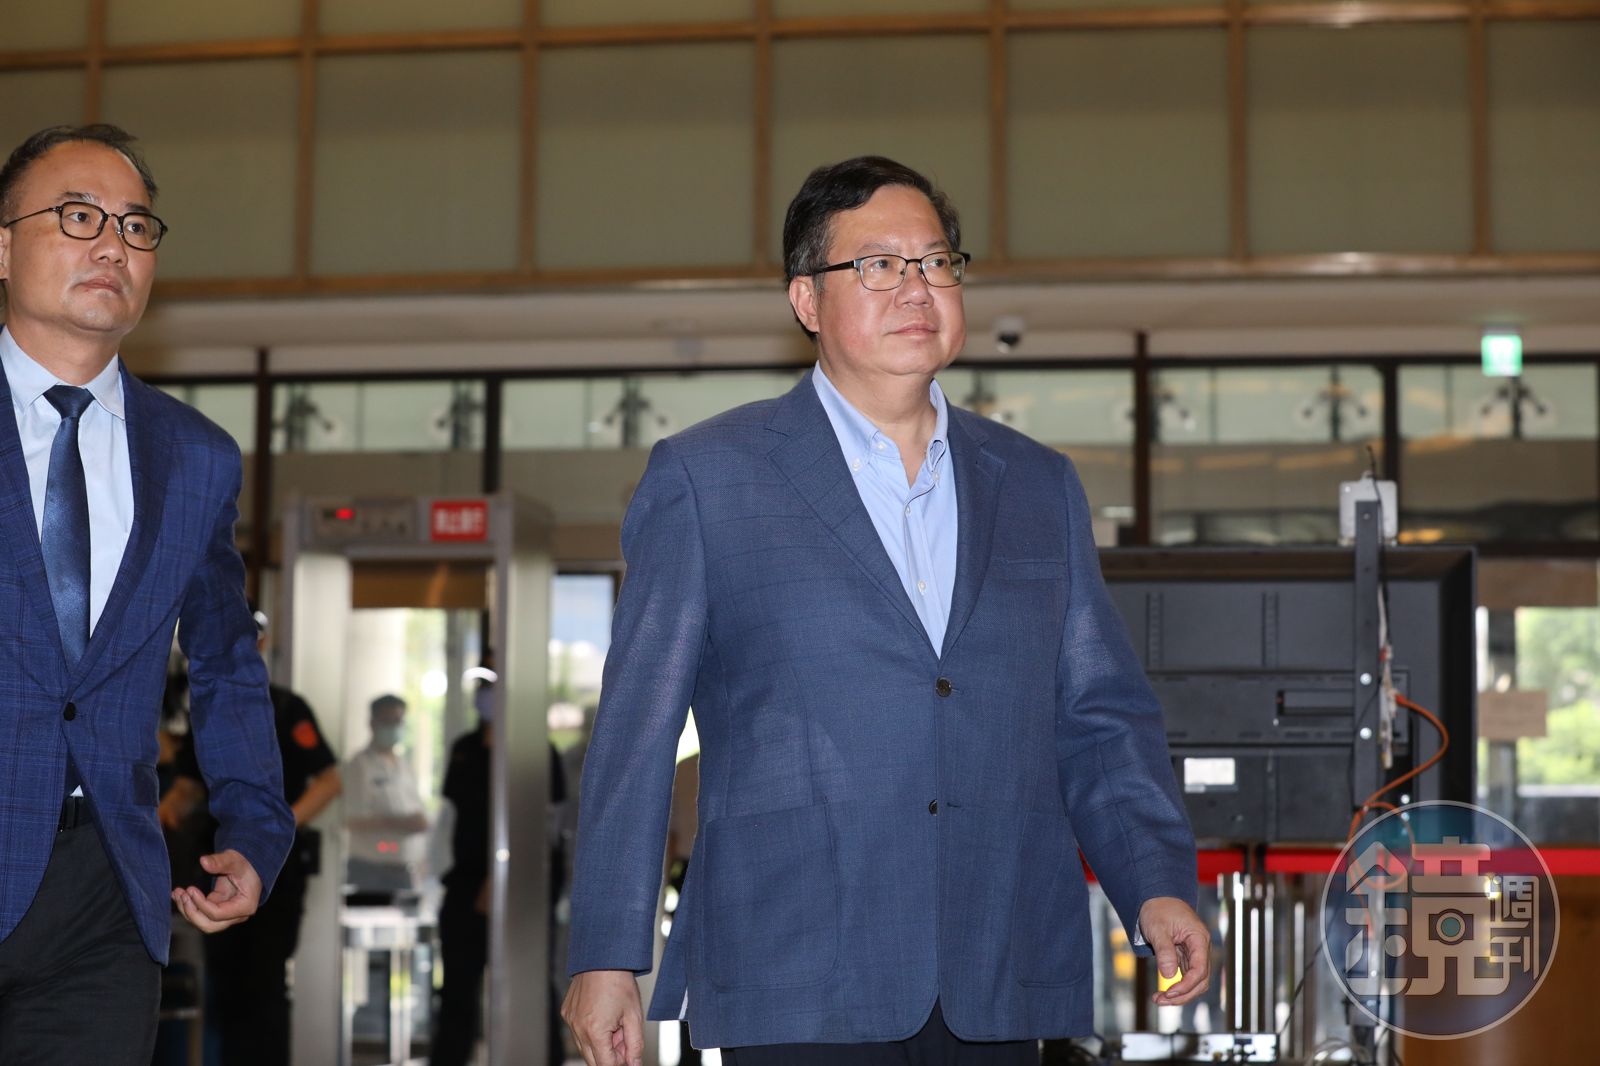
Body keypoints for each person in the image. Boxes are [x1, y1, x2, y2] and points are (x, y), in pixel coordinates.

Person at [563, 157, 1211, 1066]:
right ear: (806, 299)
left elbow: (1098, 716)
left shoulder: (1037, 485)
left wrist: (1155, 882)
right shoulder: (709, 478)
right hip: (796, 969)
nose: (917, 287)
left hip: (998, 964)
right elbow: (637, 732)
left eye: (936, 262)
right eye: (878, 265)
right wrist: (606, 953)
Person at [0, 123, 294, 1064]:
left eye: (134, 226)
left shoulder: (195, 457)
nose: (111, 245)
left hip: (106, 896)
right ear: (2, 248)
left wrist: (254, 826)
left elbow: (225, 660)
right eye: (77, 216)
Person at [161, 605, 343, 1066]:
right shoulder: (207, 708)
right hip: (219, 862)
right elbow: (189, 786)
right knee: (225, 985)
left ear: (261, 642)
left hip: (276, 869)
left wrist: (274, 829)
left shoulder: (286, 707)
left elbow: (329, 782)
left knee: (265, 985)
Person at [344, 693, 428, 894]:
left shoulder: (405, 766)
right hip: (368, 869)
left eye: (398, 721)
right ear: (373, 723)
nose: (394, 727)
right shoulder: (359, 765)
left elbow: (418, 812)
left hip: (403, 868)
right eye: (387, 721)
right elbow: (351, 819)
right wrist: (399, 823)